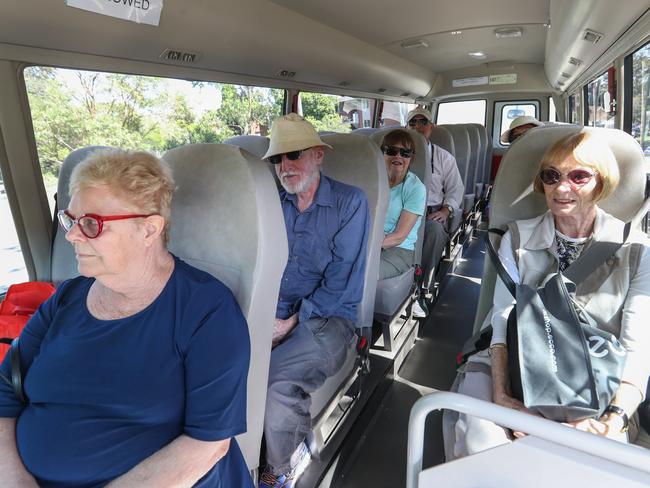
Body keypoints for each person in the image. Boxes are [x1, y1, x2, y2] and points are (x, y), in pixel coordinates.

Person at [0, 149, 253, 487]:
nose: (72, 235)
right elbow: (5, 390)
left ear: (149, 230)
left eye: (91, 224)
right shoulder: (66, 299)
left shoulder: (206, 312)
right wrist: (15, 479)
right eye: (70, 220)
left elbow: (208, 445)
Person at [446, 131, 650, 459]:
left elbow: (638, 348)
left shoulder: (637, 250)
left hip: (597, 373)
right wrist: (503, 395)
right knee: (479, 442)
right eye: (552, 176)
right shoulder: (517, 238)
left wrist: (613, 418)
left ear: (602, 182)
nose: (561, 187)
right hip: (513, 357)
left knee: (595, 463)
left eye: (579, 176)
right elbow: (501, 319)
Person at [260, 113, 369, 488]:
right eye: (278, 159)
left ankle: (283, 463)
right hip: (271, 312)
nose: (285, 166)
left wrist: (289, 323)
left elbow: (340, 281)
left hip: (329, 318)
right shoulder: (274, 204)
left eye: (294, 155)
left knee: (276, 382)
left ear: (319, 155)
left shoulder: (349, 203)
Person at [406, 107, 464, 298]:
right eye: (413, 122)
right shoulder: (396, 154)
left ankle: (422, 287)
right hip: (402, 211)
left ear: (431, 127)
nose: (418, 126)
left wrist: (446, 210)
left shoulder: (444, 157)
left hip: (431, 212)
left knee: (435, 230)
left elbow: (456, 189)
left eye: (423, 122)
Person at [380, 129, 427, 280]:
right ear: (382, 153)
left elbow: (399, 237)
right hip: (369, 243)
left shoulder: (415, 188)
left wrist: (364, 247)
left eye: (405, 153)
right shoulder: (372, 179)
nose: (398, 156)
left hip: (399, 251)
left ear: (411, 158)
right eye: (392, 150)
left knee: (359, 274)